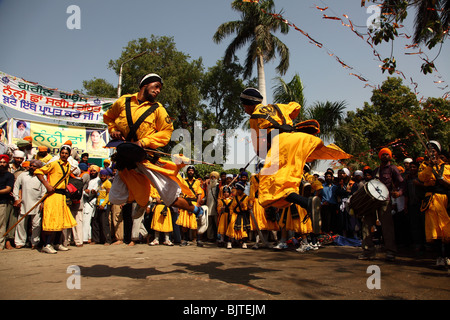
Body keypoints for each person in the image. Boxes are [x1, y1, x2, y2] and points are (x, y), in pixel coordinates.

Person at [103, 73, 204, 227]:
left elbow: (166, 132)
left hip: (147, 158)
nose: (158, 91)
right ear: (145, 84)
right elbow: (108, 117)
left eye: (160, 89)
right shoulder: (124, 101)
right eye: (156, 86)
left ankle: (199, 212)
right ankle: (143, 201)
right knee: (115, 197)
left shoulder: (158, 109)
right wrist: (113, 130)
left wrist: (144, 142)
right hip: (125, 158)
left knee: (171, 198)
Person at [239, 88, 350, 221]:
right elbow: (296, 106)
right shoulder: (278, 107)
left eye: (244, 106)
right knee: (290, 176)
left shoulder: (254, 118)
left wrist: (265, 152)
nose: (245, 109)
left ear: (250, 103)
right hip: (300, 139)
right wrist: (286, 122)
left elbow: (259, 148)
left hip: (282, 145)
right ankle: (303, 190)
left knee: (270, 184)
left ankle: (307, 203)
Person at [359, 147, 405, 261]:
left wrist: (399, 193)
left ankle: (390, 251)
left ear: (390, 156)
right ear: (380, 156)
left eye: (387, 154)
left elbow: (402, 183)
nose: (385, 156)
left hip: (385, 201)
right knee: (367, 224)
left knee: (387, 227)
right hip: (373, 202)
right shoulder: (376, 170)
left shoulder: (393, 169)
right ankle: (368, 251)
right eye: (383, 154)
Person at [34, 143, 77, 254]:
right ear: (60, 153)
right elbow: (38, 171)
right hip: (53, 196)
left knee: (61, 220)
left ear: (69, 155)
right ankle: (47, 244)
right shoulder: (53, 164)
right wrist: (47, 185)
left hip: (62, 196)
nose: (64, 155)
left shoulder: (68, 165)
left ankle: (57, 243)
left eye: (66, 153)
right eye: (62, 153)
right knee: (51, 220)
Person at [418, 140, 450, 267]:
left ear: (438, 152)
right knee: (434, 230)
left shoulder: (447, 167)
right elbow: (421, 178)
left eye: (433, 150)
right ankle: (439, 257)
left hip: (444, 199)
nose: (431, 153)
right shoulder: (424, 166)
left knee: (446, 228)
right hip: (430, 200)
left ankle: (447, 255)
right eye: (429, 150)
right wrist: (431, 166)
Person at [13, 160, 46, 249]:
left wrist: (42, 202)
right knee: (21, 223)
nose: (32, 167)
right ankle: (20, 242)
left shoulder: (42, 177)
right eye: (31, 165)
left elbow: (44, 190)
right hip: (24, 203)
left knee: (36, 224)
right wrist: (16, 199)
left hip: (37, 204)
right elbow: (16, 187)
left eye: (34, 166)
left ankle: (35, 242)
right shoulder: (23, 175)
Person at [176, 165, 205, 247]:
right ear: (187, 172)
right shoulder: (183, 181)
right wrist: (180, 205)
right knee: (184, 223)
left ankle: (198, 240)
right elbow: (180, 193)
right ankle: (184, 240)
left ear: (194, 172)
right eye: (189, 170)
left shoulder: (197, 182)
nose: (190, 172)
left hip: (194, 203)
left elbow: (199, 193)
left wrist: (198, 204)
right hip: (185, 202)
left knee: (195, 223)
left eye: (192, 170)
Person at [90, 169, 112, 245]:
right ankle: (96, 239)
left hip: (104, 205)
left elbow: (109, 195)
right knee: (95, 222)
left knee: (104, 223)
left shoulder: (108, 183)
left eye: (104, 176)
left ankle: (107, 240)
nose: (102, 177)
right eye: (101, 176)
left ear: (107, 176)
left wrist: (104, 204)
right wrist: (95, 192)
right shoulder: (99, 183)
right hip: (98, 204)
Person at [226, 181, 250, 249]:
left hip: (242, 215)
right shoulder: (235, 197)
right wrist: (230, 215)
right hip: (234, 214)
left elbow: (246, 208)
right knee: (231, 227)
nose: (237, 191)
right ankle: (229, 242)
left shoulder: (246, 197)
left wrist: (243, 205)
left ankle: (244, 242)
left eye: (239, 190)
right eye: (237, 190)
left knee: (243, 229)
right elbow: (232, 207)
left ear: (242, 189)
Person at [0, 155, 15, 250]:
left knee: (1, 224)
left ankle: (0, 244)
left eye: (4, 162)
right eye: (0, 162)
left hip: (2, 202)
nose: (1, 164)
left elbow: (8, 189)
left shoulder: (9, 175)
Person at [83, 165, 101, 243]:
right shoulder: (90, 180)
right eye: (92, 171)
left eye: (94, 171)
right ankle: (88, 237)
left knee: (87, 221)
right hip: (86, 201)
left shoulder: (98, 180)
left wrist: (88, 192)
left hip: (91, 202)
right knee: (86, 221)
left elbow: (93, 192)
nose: (92, 172)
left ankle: (85, 238)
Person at [205, 171, 219, 242]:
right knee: (209, 224)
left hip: (215, 207)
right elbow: (206, 196)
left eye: (214, 177)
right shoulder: (208, 186)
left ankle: (219, 238)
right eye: (211, 177)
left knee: (217, 223)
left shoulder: (218, 186)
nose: (213, 178)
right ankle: (210, 237)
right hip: (208, 206)